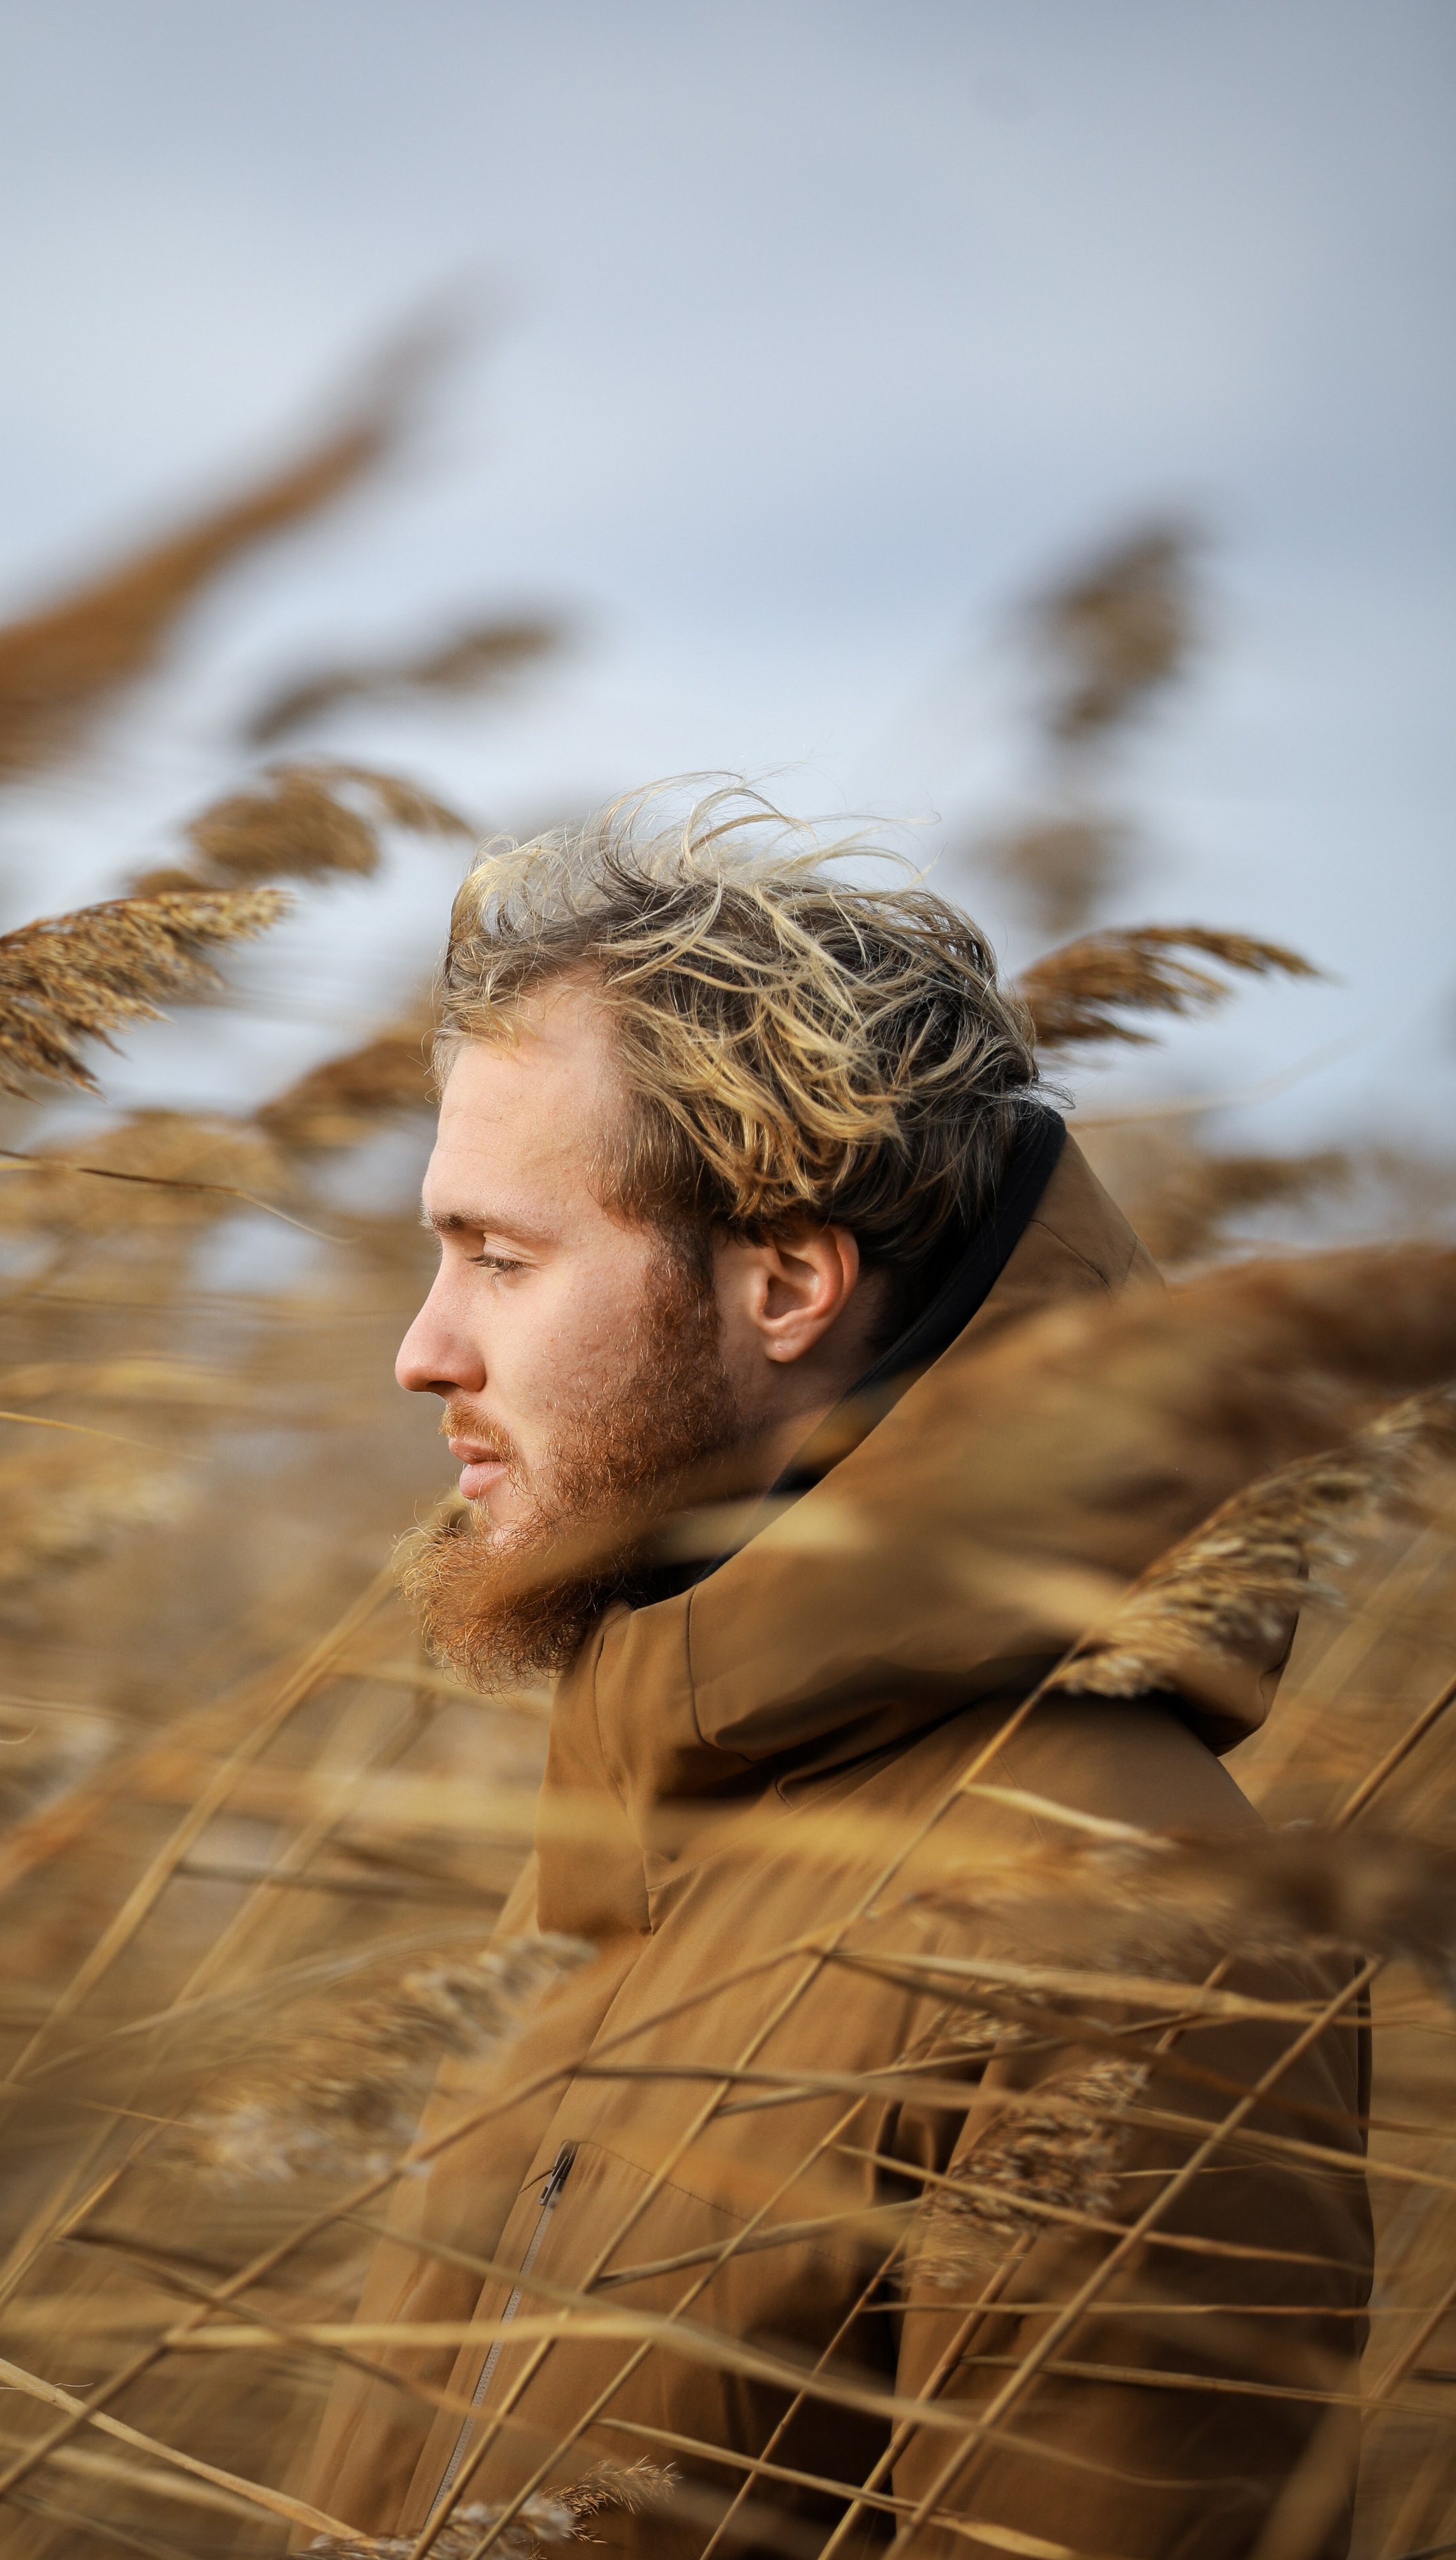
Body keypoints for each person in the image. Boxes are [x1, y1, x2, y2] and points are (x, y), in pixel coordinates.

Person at [300, 792, 1371, 2559]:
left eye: (500, 1257)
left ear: (787, 1281)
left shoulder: (1123, 1935)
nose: (424, 1351)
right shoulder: (650, 1823)